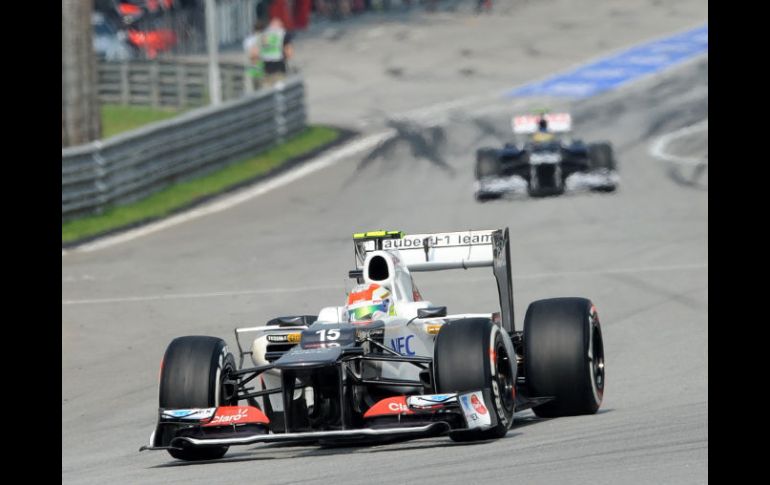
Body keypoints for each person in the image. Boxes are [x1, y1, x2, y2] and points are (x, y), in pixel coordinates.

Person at [260, 17, 294, 87]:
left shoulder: (264, 34)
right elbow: (288, 50)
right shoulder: (283, 34)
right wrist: (288, 58)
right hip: (279, 64)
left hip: (265, 64)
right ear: (281, 25)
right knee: (279, 86)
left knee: (268, 87)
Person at [243, 20, 266, 92]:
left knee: (252, 93)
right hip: (262, 69)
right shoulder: (264, 39)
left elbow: (249, 54)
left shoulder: (248, 40)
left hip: (250, 69)